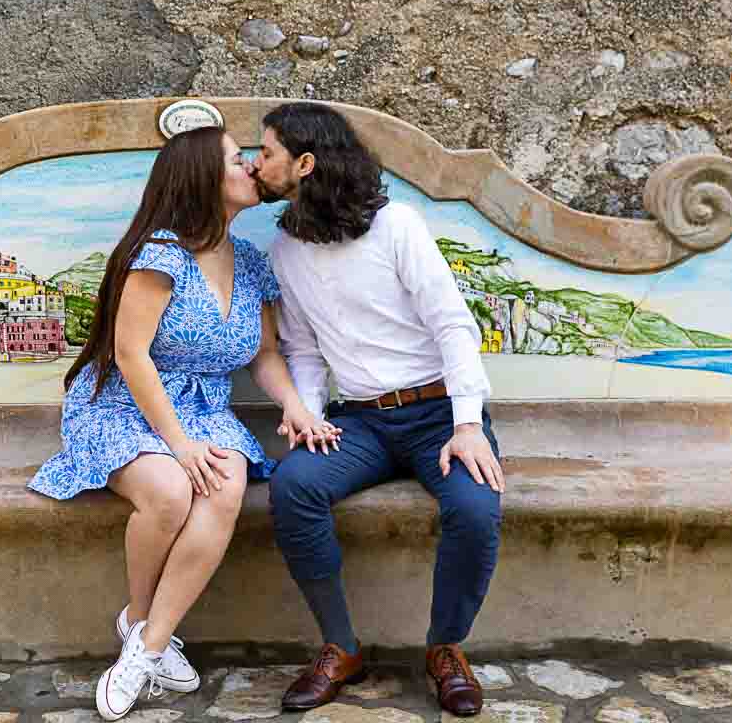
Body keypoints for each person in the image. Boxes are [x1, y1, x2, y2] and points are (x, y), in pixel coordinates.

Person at [28, 125, 340, 722]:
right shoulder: (160, 255)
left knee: (222, 483)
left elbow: (266, 355)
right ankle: (142, 625)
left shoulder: (249, 263)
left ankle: (144, 645)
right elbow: (130, 355)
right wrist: (179, 446)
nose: (250, 167)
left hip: (204, 411)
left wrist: (296, 408)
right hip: (124, 405)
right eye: (235, 160)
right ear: (201, 176)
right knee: (172, 489)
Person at [248, 102, 505, 718]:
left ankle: (445, 648)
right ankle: (341, 647)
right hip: (357, 421)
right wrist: (307, 416)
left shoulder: (398, 227)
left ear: (304, 163)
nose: (256, 164)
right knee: (294, 487)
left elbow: (453, 327)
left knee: (475, 508)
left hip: (439, 413)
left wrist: (468, 425)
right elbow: (303, 349)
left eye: (266, 153)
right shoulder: (286, 247)